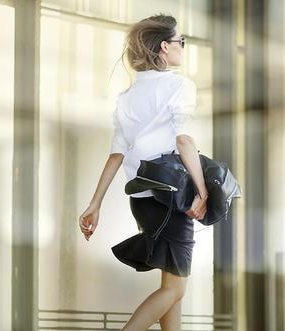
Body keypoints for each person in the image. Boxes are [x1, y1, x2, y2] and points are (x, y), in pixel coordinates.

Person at [78, 14, 209, 331]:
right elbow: (183, 140)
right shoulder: (180, 86)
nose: (182, 47)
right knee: (175, 289)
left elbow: (116, 156)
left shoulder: (127, 97)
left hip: (142, 200)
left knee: (171, 287)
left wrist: (94, 204)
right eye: (180, 42)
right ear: (165, 47)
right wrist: (203, 192)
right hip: (171, 196)